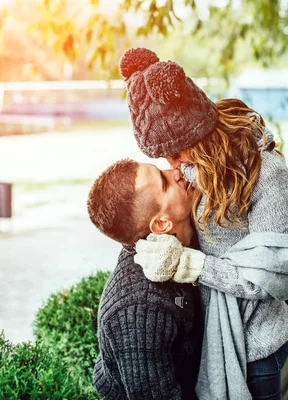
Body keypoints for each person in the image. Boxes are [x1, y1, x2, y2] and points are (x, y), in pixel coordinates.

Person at [119, 47, 288, 400]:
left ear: (195, 134)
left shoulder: (265, 173)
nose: (172, 164)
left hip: (257, 348)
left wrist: (189, 265)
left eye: (175, 153)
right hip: (213, 336)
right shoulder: (195, 171)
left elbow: (266, 277)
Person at [87, 159, 204, 400]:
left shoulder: (181, 242)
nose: (177, 172)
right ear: (161, 223)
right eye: (165, 182)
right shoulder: (141, 308)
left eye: (161, 169)